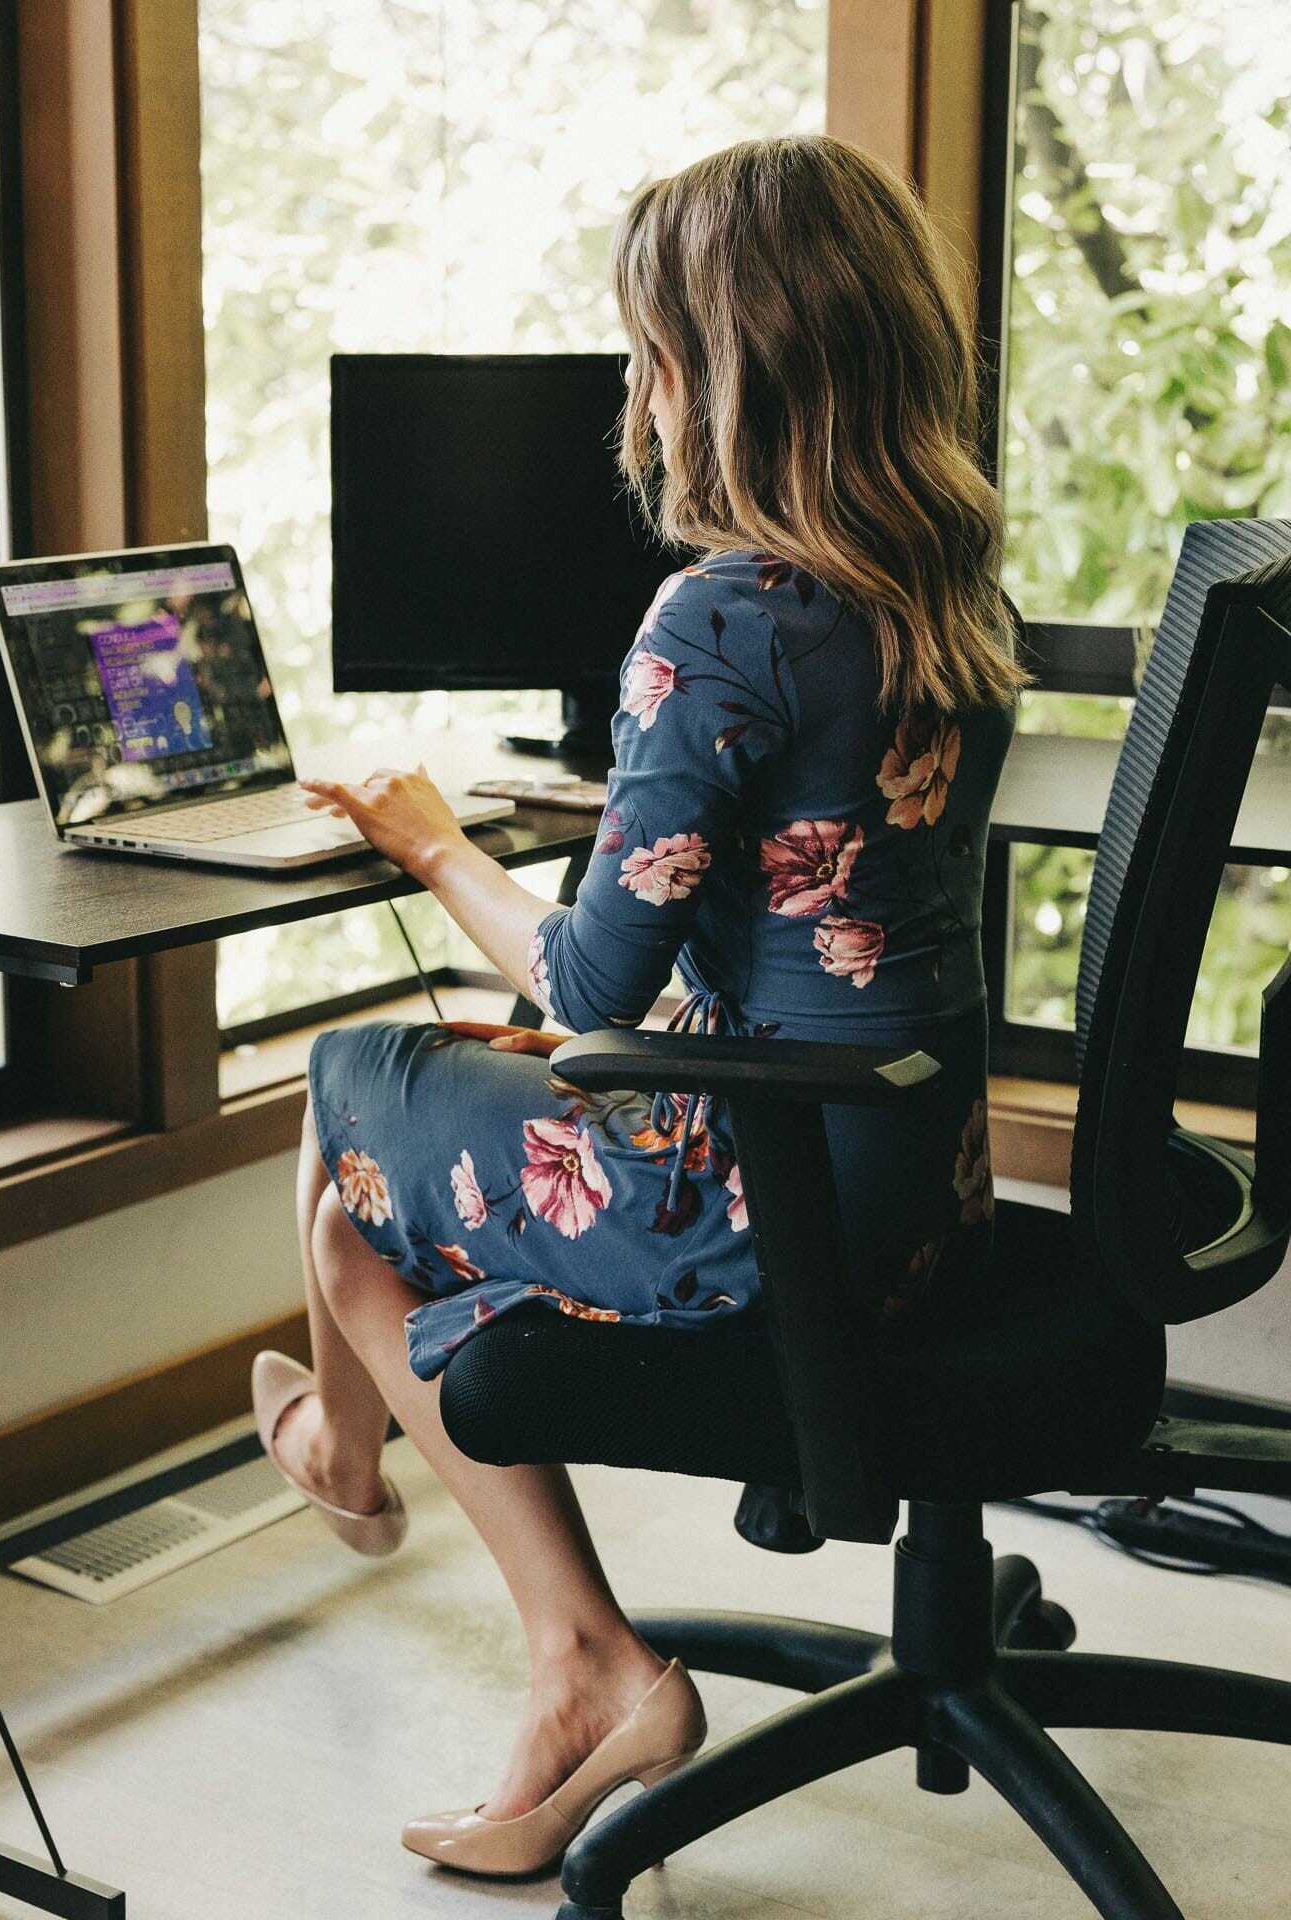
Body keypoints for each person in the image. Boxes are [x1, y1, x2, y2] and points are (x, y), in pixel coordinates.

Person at [249, 133, 1028, 1878]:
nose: (634, 383)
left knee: (349, 1081)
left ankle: (403, 1509)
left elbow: (598, 978)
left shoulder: (723, 620)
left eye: (650, 345)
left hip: (774, 1210)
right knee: (378, 1192)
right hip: (916, 1184)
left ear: (722, 368)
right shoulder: (946, 593)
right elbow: (817, 933)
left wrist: (439, 845)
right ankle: (432, 1528)